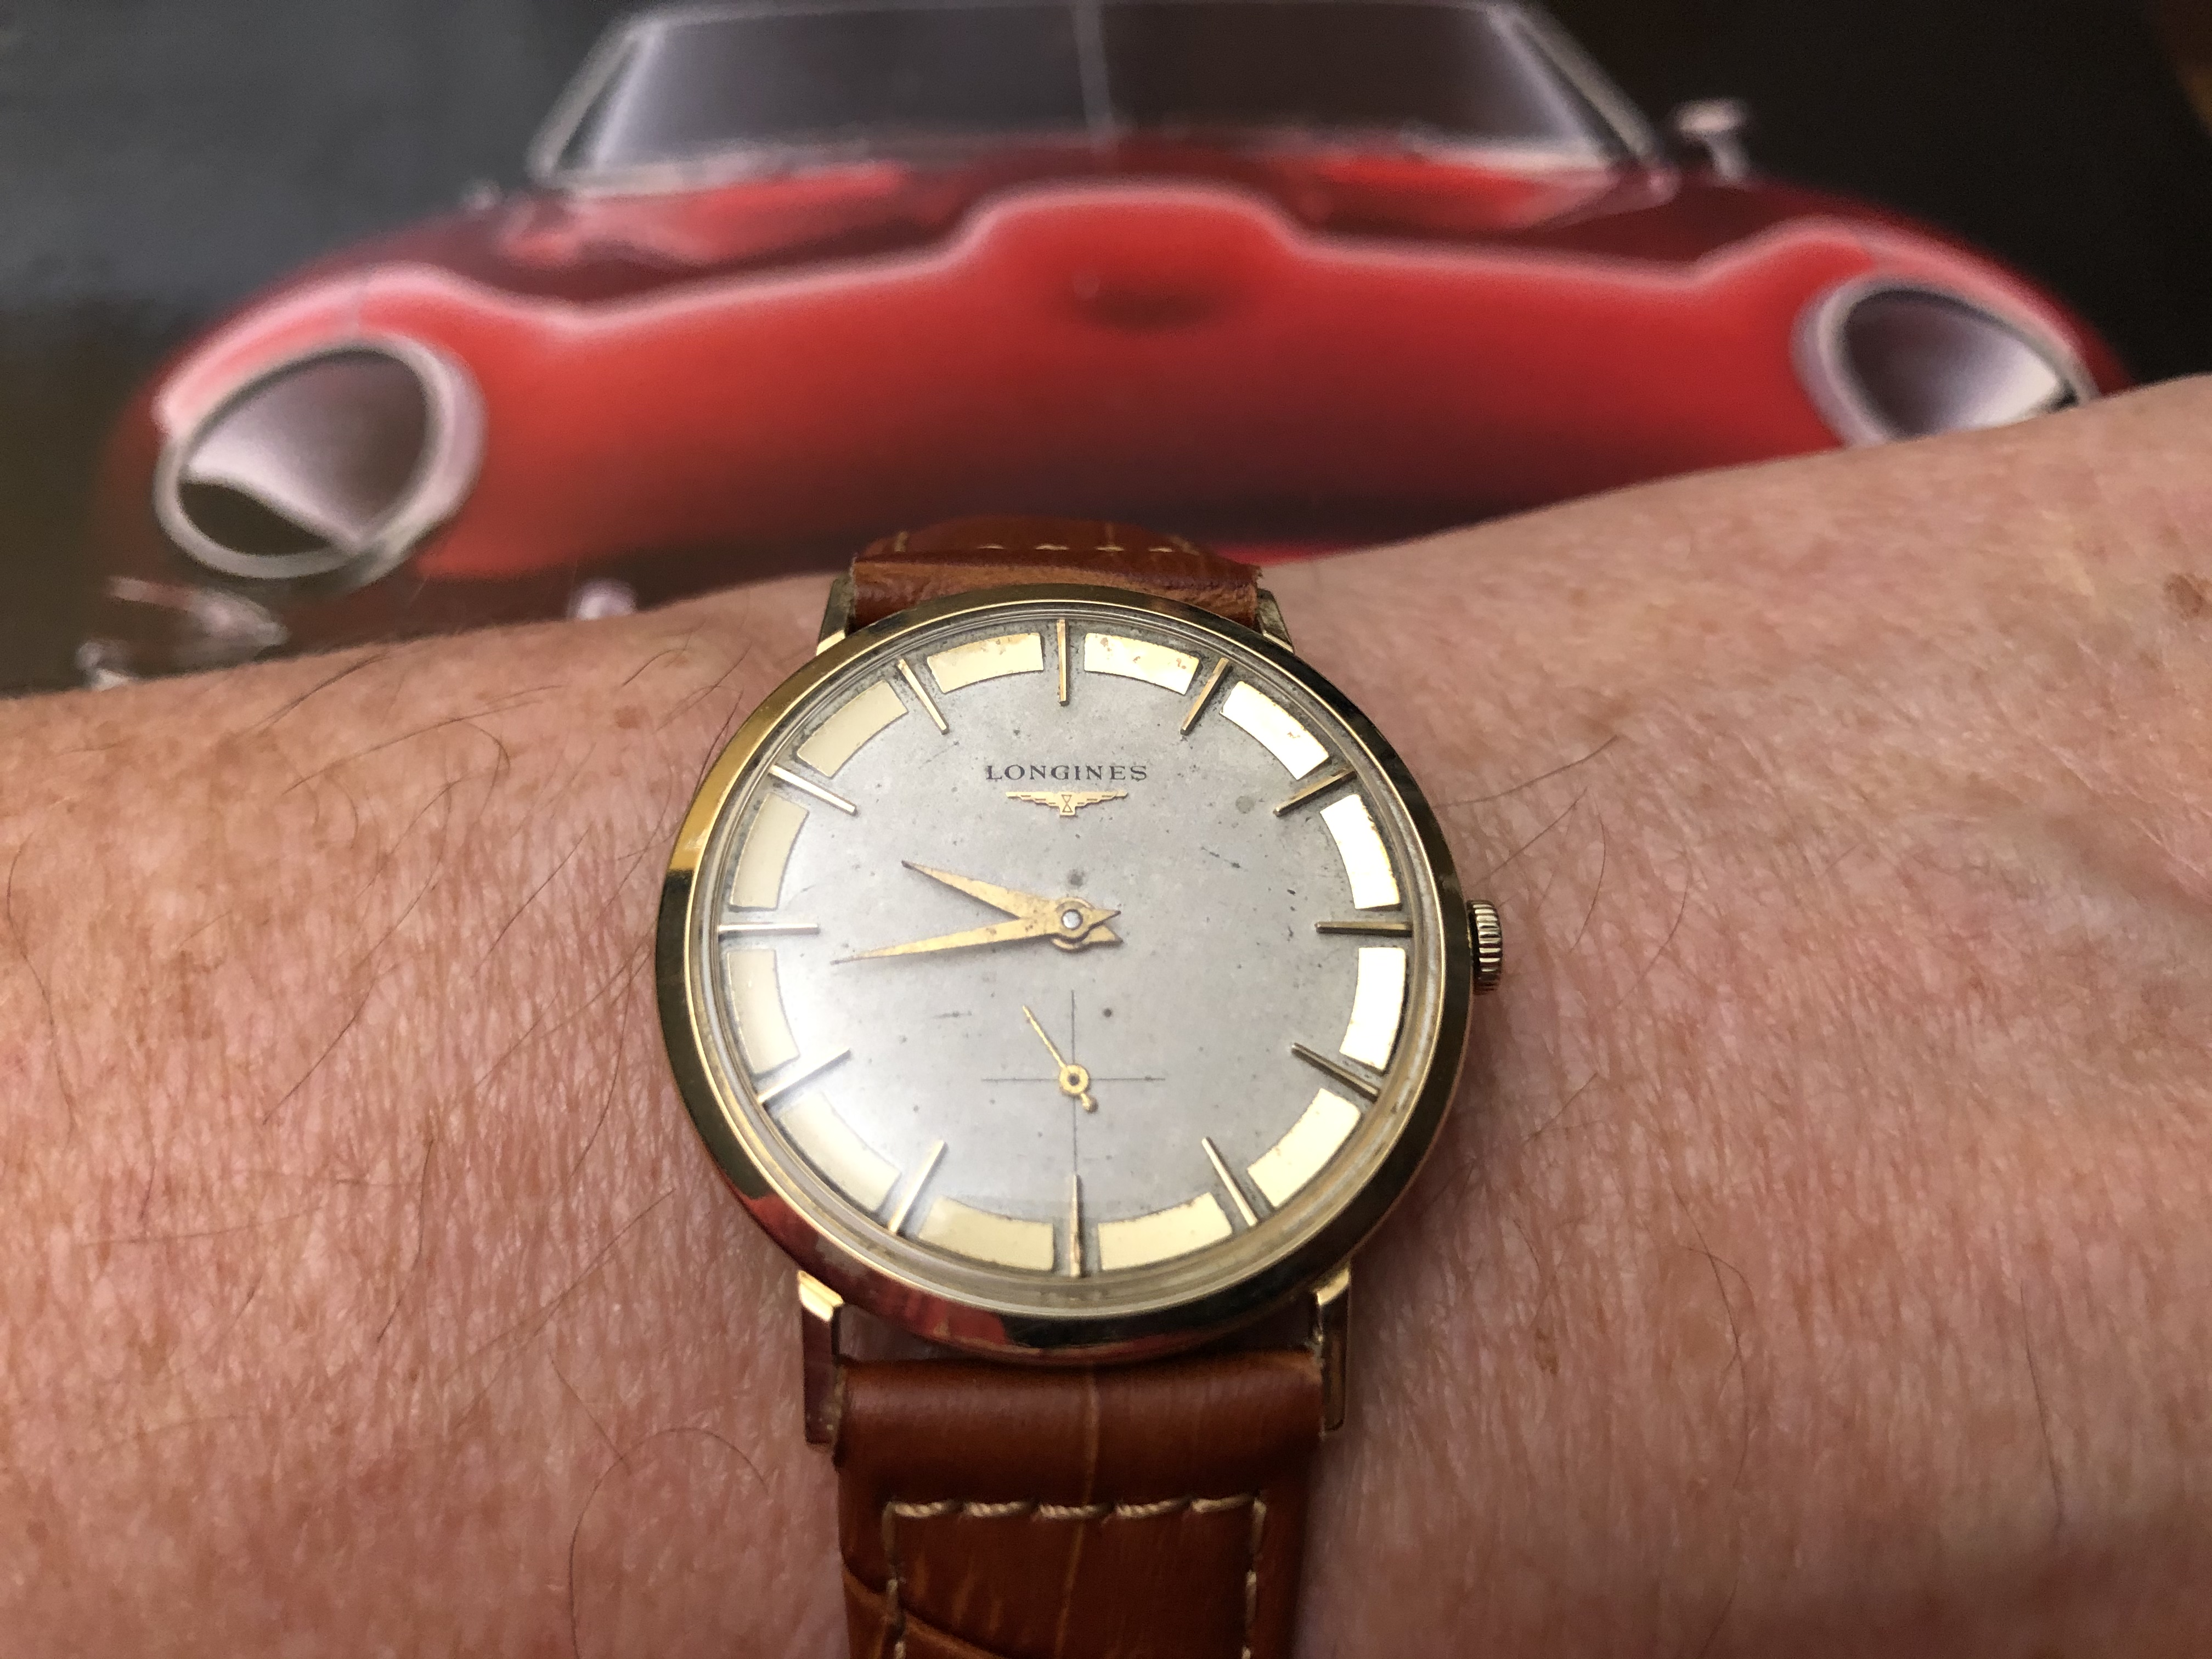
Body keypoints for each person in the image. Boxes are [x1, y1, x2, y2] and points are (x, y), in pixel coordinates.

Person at [2, 379, 2207, 1655]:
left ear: (1464, 944)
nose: (1071, 924)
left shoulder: (1332, 1111)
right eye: (1047, 915)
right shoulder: (826, 1206)